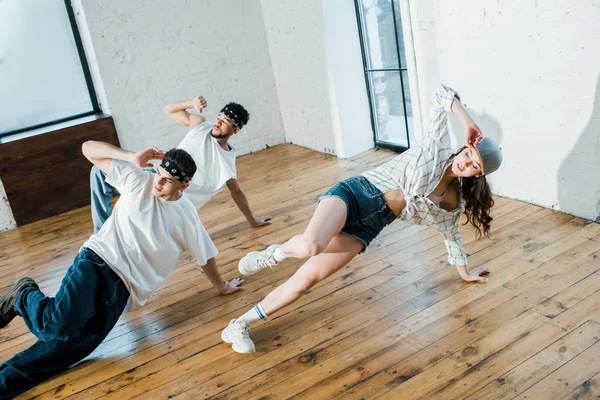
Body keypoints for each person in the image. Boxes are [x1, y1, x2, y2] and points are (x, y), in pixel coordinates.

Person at [220, 84, 503, 353]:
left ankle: (239, 324)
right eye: (468, 153)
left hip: (369, 227)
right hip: (355, 194)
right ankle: (272, 255)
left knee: (306, 279)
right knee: (311, 246)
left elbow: (451, 236)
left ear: (477, 175)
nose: (464, 162)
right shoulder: (435, 147)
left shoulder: (452, 205)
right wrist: (467, 121)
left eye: (473, 165)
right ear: (464, 147)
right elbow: (442, 94)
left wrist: (465, 273)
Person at [0, 141, 243, 397]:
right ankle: (24, 294)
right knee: (56, 326)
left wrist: (221, 286)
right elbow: (87, 149)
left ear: (184, 186)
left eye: (168, 180)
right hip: (97, 262)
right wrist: (131, 156)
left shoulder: (186, 215)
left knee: (61, 352)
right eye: (159, 173)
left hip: (123, 291)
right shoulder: (138, 180)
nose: (158, 182)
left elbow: (205, 255)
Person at [90, 96, 271, 233]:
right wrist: (192, 103)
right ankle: (100, 231)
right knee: (98, 171)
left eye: (225, 122)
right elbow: (169, 110)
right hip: (156, 174)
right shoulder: (200, 125)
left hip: (170, 200)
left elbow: (236, 192)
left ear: (235, 130)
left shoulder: (227, 163)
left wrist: (252, 220)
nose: (218, 122)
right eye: (219, 117)